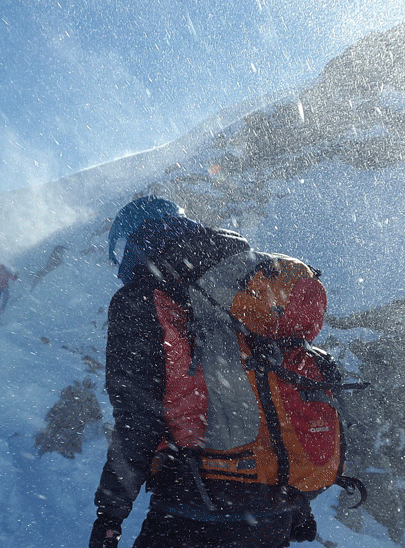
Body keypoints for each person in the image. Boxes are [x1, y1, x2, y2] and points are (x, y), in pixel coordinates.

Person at [89, 198, 316, 548]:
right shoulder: (242, 279)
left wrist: (109, 515)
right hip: (272, 509)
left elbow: (138, 419)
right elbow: (276, 387)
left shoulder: (141, 299)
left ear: (136, 240)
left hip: (196, 504)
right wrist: (297, 504)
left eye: (120, 251)